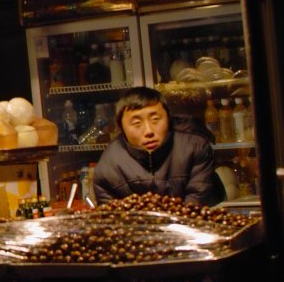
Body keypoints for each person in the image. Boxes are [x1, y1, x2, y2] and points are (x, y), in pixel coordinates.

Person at [93, 86, 224, 206]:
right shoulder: (108, 167)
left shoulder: (194, 147)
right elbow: (113, 219)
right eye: (137, 123)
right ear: (121, 128)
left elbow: (196, 202)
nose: (149, 131)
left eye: (155, 119)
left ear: (169, 118)